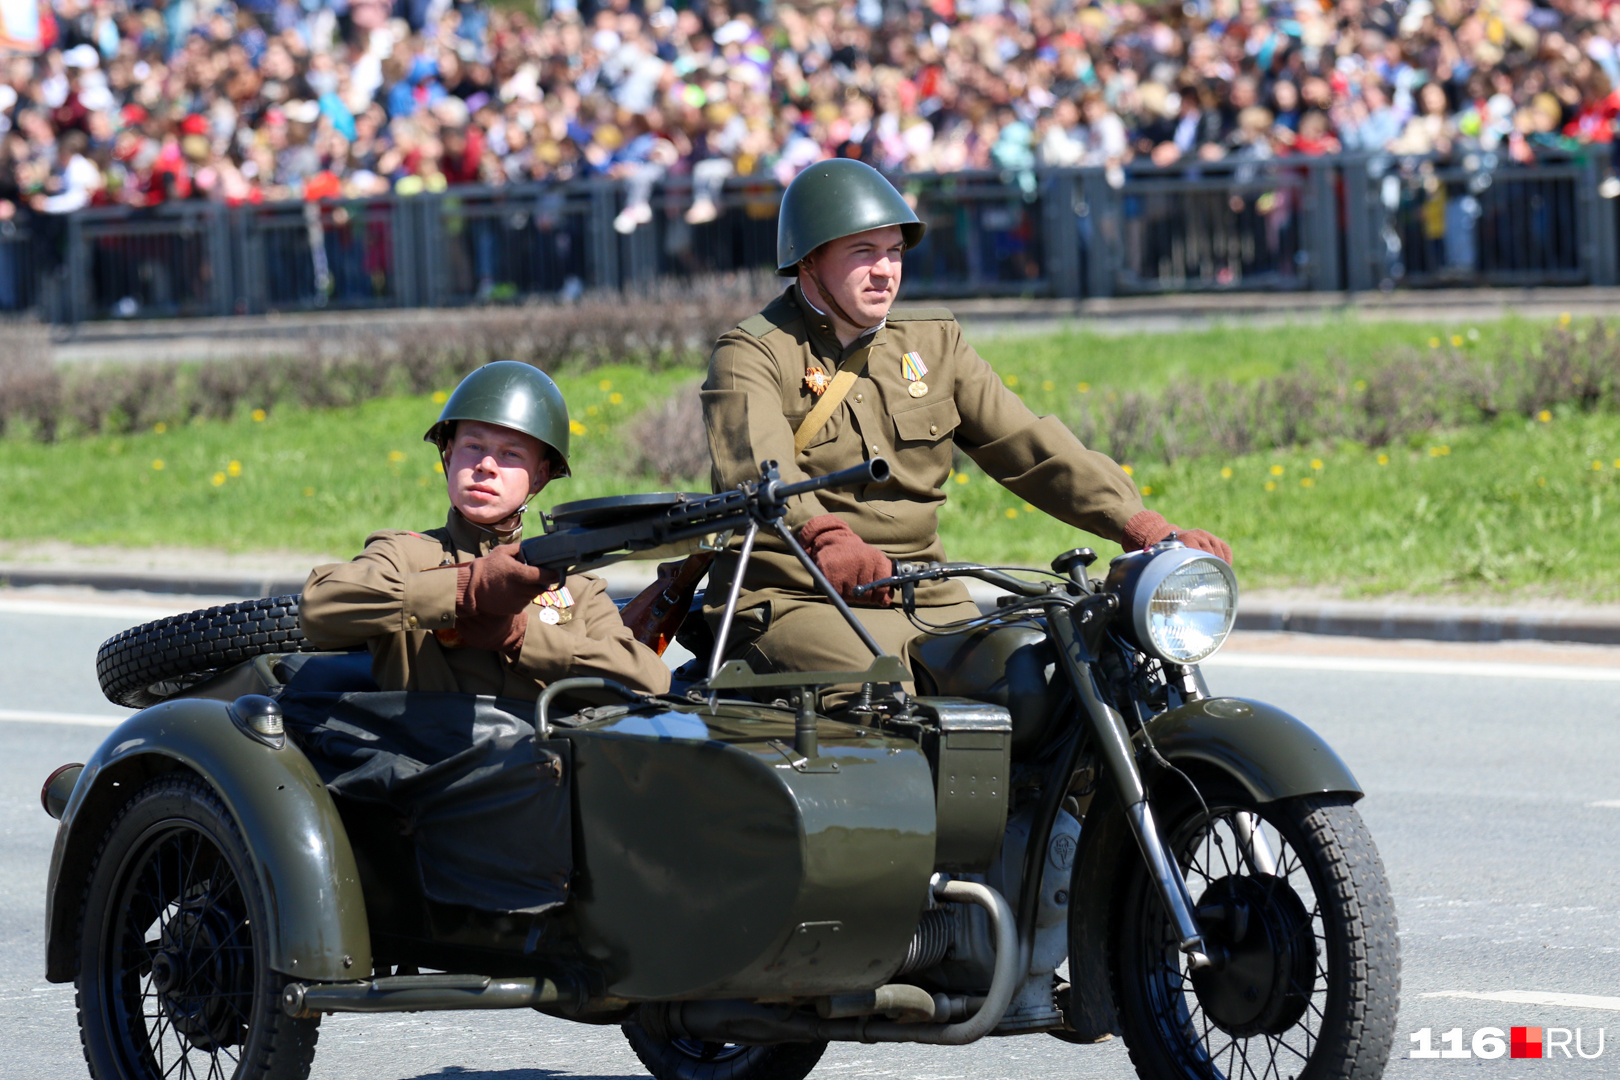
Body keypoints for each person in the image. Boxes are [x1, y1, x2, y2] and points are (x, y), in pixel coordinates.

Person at [700, 158, 1230, 686]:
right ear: (810, 261)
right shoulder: (753, 353)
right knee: (884, 690)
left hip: (924, 590)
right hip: (798, 594)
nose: (885, 271)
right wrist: (822, 534)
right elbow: (762, 469)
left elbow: (1026, 443)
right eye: (863, 253)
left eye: (894, 252)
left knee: (1038, 682)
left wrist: (1143, 528)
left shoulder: (932, 342)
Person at [301, 361, 671, 699]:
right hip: (427, 765)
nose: (487, 465)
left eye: (511, 454)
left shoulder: (574, 586)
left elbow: (651, 680)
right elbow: (318, 608)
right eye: (473, 446)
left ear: (539, 476)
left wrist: (521, 636)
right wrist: (465, 589)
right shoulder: (404, 553)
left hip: (544, 765)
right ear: (448, 456)